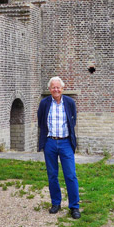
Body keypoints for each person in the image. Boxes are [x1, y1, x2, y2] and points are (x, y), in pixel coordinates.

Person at [37, 76, 80, 219]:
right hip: (50, 142)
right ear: (49, 89)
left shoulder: (69, 103)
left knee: (71, 175)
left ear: (62, 89)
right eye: (53, 87)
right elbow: (41, 121)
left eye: (58, 87)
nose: (56, 89)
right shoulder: (44, 103)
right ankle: (56, 203)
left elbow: (72, 121)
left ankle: (74, 206)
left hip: (65, 142)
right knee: (52, 175)